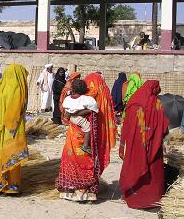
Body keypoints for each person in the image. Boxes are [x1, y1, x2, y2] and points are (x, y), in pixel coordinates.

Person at [57, 73, 116, 202]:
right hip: (91, 135)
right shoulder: (98, 95)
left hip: (73, 133)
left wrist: (71, 115)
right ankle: (88, 191)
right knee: (87, 159)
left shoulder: (72, 98)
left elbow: (65, 115)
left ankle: (70, 189)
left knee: (71, 157)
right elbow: (95, 112)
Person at [119, 80, 169, 209]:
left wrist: (124, 144)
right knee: (153, 170)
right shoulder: (157, 104)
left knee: (135, 164)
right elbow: (164, 127)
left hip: (135, 143)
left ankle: (133, 194)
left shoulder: (133, 103)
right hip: (154, 144)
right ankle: (152, 198)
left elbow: (126, 125)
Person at [0, 64, 29, 195]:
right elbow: (14, 114)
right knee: (9, 155)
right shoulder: (17, 90)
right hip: (9, 130)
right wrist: (14, 130)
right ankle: (9, 186)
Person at [62, 79, 99, 154]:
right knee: (88, 128)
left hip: (71, 118)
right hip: (79, 119)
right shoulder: (85, 99)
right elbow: (95, 108)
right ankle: (85, 146)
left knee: (73, 112)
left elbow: (66, 110)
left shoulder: (68, 98)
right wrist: (90, 111)